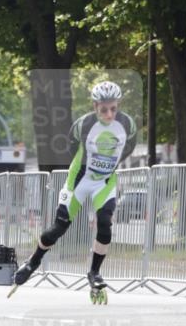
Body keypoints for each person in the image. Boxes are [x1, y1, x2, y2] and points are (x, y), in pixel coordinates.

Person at [14, 81, 137, 291]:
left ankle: (95, 272)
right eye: (103, 109)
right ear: (95, 105)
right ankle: (33, 261)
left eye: (113, 109)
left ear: (119, 105)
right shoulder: (84, 125)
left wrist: (107, 165)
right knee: (59, 228)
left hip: (104, 182)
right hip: (79, 180)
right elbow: (72, 147)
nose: (109, 114)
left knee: (105, 223)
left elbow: (129, 147)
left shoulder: (127, 124)